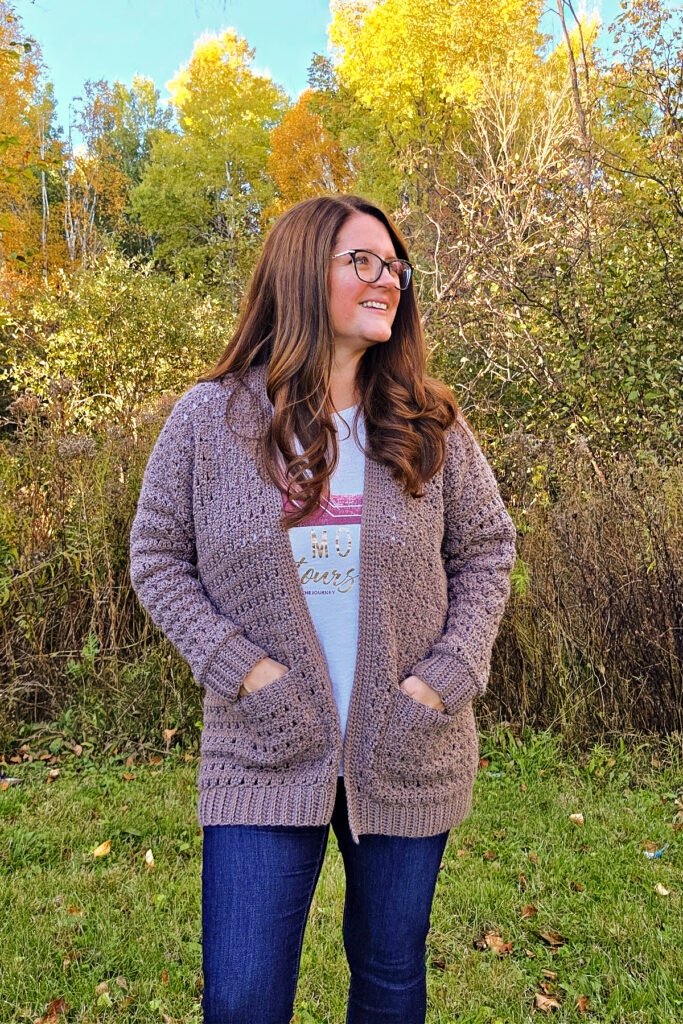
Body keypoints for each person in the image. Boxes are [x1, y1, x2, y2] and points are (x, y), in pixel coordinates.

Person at [129, 193, 517, 1024]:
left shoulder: (428, 423)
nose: (388, 280)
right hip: (260, 746)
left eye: (395, 266)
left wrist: (442, 680)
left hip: (408, 743)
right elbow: (156, 558)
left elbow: (486, 550)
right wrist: (247, 673)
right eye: (362, 262)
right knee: (241, 995)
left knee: (388, 978)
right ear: (303, 272)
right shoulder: (210, 420)